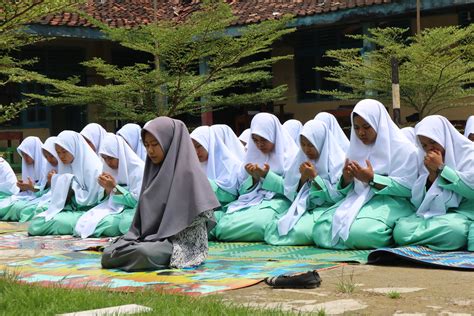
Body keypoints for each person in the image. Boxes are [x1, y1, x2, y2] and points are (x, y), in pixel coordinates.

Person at [101, 117, 220, 272]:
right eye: (146, 145)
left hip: (180, 242)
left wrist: (166, 225)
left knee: (143, 253)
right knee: (109, 253)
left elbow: (202, 216)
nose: (150, 150)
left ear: (170, 143)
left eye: (155, 144)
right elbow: (143, 214)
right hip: (152, 239)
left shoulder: (190, 174)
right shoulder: (153, 171)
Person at [313, 99, 418, 249]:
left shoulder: (404, 150)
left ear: (378, 124)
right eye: (356, 128)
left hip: (391, 202)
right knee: (320, 229)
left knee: (363, 233)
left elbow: (410, 188)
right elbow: (344, 190)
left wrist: (372, 179)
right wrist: (347, 179)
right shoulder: (355, 149)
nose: (361, 133)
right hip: (357, 199)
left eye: (366, 127)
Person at [393, 115, 474, 251]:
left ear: (443, 137)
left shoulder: (469, 154)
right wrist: (431, 176)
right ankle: (434, 242)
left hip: (461, 214)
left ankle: (424, 241)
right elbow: (419, 200)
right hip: (435, 215)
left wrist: (441, 169)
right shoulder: (424, 159)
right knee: (401, 230)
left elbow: (470, 190)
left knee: (455, 231)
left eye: (433, 142)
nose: (429, 148)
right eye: (424, 145)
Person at [215, 113, 298, 242]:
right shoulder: (252, 156)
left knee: (258, 224)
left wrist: (266, 176)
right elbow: (241, 191)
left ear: (274, 135)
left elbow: (294, 190)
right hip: (252, 200)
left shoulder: (291, 157)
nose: (259, 145)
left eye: (264, 139)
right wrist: (254, 179)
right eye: (255, 140)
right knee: (225, 223)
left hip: (279, 201)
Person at [264, 120, 346, 245]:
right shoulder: (300, 159)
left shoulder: (338, 163)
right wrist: (303, 178)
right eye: (303, 144)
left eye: (311, 145)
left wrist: (315, 177)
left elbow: (337, 197)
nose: (306, 149)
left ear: (321, 142)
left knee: (298, 232)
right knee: (273, 228)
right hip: (305, 207)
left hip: (327, 209)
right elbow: (290, 191)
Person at [28, 131, 103, 236]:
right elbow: (59, 198)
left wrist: (70, 182)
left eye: (64, 152)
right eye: (58, 153)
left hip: (88, 210)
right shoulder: (67, 165)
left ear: (74, 148)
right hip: (72, 208)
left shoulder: (93, 167)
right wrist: (58, 182)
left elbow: (92, 199)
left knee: (38, 225)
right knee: (39, 217)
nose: (61, 156)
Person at [74, 133, 144, 238]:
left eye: (110, 158)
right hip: (112, 209)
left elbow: (135, 202)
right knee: (83, 221)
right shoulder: (108, 168)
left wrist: (114, 188)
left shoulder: (138, 169)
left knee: (108, 224)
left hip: (131, 211)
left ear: (119, 154)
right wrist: (106, 189)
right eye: (104, 158)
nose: (108, 162)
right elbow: (103, 200)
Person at [0, 137, 58, 222]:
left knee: (23, 208)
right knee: (8, 204)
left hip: (46, 199)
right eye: (23, 155)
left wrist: (31, 187)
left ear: (35, 153)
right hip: (33, 197)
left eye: (27, 155)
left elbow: (46, 191)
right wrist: (23, 187)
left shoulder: (47, 166)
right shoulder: (30, 167)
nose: (25, 158)